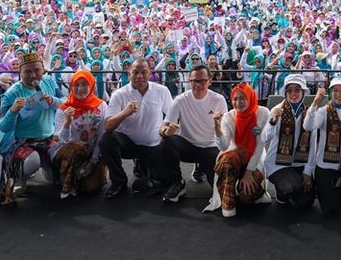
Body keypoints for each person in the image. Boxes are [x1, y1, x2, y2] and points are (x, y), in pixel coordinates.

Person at [100, 58, 173, 200]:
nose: (139, 76)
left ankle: (142, 166)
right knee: (106, 140)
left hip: (153, 145)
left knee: (166, 181)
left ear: (150, 73)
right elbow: (108, 126)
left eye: (144, 72)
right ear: (129, 73)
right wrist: (124, 113)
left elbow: (171, 116)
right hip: (128, 144)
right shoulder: (119, 94)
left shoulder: (162, 91)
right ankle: (119, 182)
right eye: (135, 72)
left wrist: (166, 127)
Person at [0, 53, 63, 205]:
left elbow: (65, 102)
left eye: (37, 70)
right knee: (31, 161)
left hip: (48, 138)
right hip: (22, 141)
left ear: (43, 70)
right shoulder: (11, 94)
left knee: (62, 167)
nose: (33, 74)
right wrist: (13, 111)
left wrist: (54, 101)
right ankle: (19, 178)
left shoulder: (49, 82)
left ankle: (46, 168)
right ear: (20, 72)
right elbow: (3, 126)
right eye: (27, 71)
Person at [160, 65, 228, 203]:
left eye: (202, 81)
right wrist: (166, 132)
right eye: (194, 81)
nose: (198, 85)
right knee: (166, 142)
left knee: (218, 192)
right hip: (188, 146)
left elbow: (225, 131)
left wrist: (218, 124)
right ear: (189, 82)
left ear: (210, 81)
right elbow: (163, 127)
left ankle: (201, 168)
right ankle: (178, 182)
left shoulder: (218, 99)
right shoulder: (180, 99)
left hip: (210, 147)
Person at [205, 83, 271, 218]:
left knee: (246, 198)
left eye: (242, 98)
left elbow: (259, 146)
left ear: (250, 97)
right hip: (235, 155)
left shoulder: (263, 113)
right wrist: (217, 127)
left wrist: (248, 173)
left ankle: (253, 189)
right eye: (235, 99)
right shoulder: (229, 116)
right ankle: (227, 201)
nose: (238, 102)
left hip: (255, 158)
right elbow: (223, 146)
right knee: (228, 158)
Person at [303, 75, 341, 214]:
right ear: (331, 92)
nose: (339, 94)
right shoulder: (323, 111)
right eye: (335, 90)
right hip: (327, 166)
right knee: (330, 208)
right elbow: (308, 126)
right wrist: (314, 104)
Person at [262, 74, 317, 208]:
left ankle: (291, 187)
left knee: (307, 200)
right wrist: (273, 122)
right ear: (285, 93)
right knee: (292, 187)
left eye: (297, 90)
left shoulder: (309, 113)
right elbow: (264, 137)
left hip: (299, 163)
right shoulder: (277, 110)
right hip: (278, 164)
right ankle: (282, 192)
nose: (293, 94)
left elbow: (313, 144)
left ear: (303, 92)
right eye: (289, 90)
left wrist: (308, 171)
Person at [51, 70, 108, 199]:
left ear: (92, 85)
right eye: (76, 85)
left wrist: (93, 162)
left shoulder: (102, 106)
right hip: (69, 154)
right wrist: (67, 122)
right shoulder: (64, 108)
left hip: (92, 153)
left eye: (84, 84)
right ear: (71, 87)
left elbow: (101, 135)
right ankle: (64, 178)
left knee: (90, 187)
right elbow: (59, 141)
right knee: (76, 147)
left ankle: (79, 174)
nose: (80, 89)